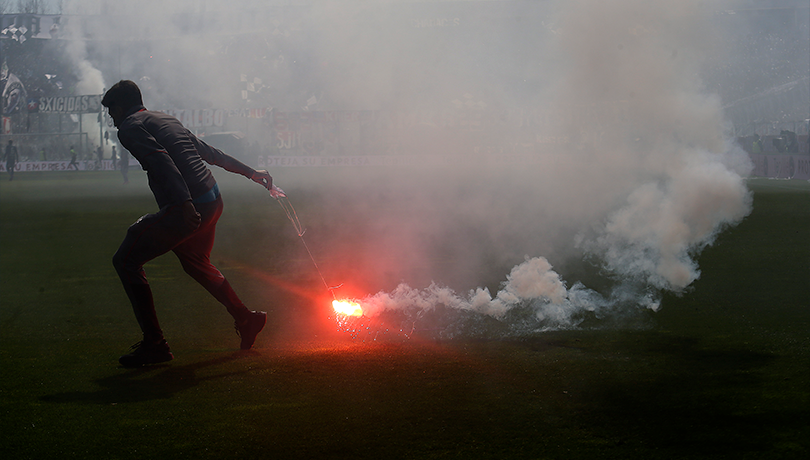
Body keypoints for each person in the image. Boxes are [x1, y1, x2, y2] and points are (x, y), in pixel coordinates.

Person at [102, 80, 274, 367]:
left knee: (126, 260)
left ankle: (155, 344)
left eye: (111, 111)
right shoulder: (165, 119)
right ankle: (246, 318)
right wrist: (250, 172)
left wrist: (183, 204)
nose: (112, 118)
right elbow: (208, 153)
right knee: (195, 260)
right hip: (212, 198)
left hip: (189, 204)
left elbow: (161, 162)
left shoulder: (130, 127)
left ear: (120, 107)